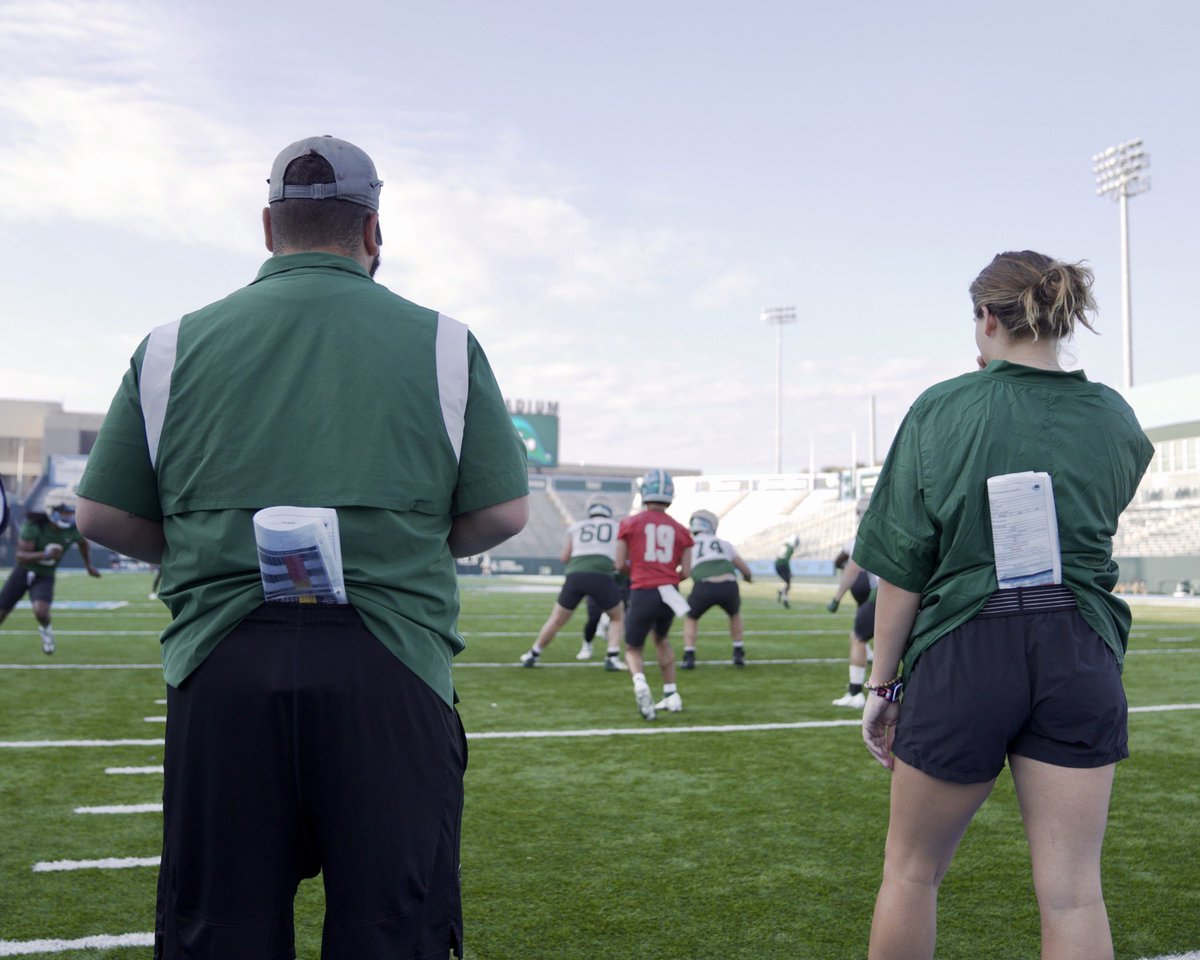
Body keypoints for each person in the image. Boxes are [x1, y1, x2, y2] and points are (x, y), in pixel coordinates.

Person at [76, 135, 529, 959]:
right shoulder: (443, 343)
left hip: (222, 662)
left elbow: (102, 518)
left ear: (266, 226)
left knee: (220, 928)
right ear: (372, 232)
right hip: (389, 659)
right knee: (395, 926)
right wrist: (406, 547)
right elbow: (501, 515)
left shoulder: (170, 345)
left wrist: (202, 555)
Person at [855, 251, 1153, 960]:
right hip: (1079, 646)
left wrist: (882, 683)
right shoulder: (1114, 414)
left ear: (987, 318)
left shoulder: (944, 405)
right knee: (1074, 890)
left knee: (911, 873)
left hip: (967, 643)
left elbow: (902, 566)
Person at [614, 469, 693, 719]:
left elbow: (618, 565)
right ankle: (671, 694)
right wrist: (666, 578)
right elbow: (687, 571)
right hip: (669, 592)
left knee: (633, 648)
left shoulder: (630, 523)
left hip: (643, 590)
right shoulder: (681, 529)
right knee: (662, 639)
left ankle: (640, 683)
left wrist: (640, 573)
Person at [520, 500, 627, 671]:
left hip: (575, 575)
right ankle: (612, 657)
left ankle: (533, 654)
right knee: (617, 617)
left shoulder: (577, 527)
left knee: (556, 619)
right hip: (601, 575)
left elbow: (564, 558)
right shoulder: (617, 526)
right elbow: (620, 557)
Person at [0, 487, 101, 655]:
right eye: (63, 512)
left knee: (41, 611)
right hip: (23, 571)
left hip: (45, 575)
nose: (67, 516)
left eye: (70, 513)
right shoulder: (35, 526)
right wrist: (45, 554)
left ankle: (46, 631)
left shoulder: (73, 530)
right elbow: (20, 556)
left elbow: (83, 544)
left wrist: (88, 565)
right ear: (50, 509)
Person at [680, 509, 753, 668]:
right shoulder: (724, 544)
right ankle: (738, 651)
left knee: (691, 617)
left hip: (704, 586)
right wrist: (748, 579)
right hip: (729, 585)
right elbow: (745, 570)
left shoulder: (689, 546)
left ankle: (689, 655)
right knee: (734, 614)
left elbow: (684, 573)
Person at [827, 499, 876, 707]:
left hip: (882, 593)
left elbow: (851, 568)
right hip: (911, 594)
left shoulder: (864, 537)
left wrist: (836, 598)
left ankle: (855, 693)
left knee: (857, 637)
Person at [774, 533, 799, 607]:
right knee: (788, 584)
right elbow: (786, 560)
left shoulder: (785, 545)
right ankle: (785, 600)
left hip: (777, 564)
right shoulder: (790, 548)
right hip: (782, 565)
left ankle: (781, 593)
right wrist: (789, 571)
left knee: (787, 583)